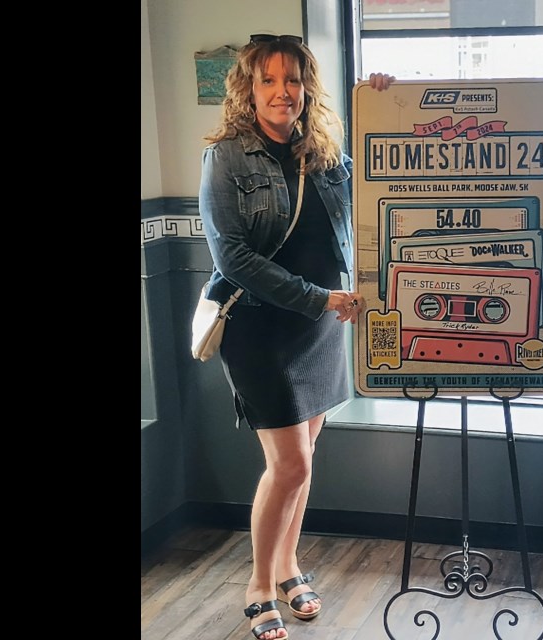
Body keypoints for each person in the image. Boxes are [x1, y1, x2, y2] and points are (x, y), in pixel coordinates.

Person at [198, 33, 394, 640]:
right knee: (290, 464)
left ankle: (288, 565)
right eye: (268, 81)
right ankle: (259, 585)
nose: (283, 92)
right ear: (249, 89)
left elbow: (384, 179)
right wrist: (319, 298)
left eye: (292, 79)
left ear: (306, 86)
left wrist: (382, 106)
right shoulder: (228, 156)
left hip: (320, 329)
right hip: (260, 324)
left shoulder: (328, 153)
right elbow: (231, 256)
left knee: (302, 466)